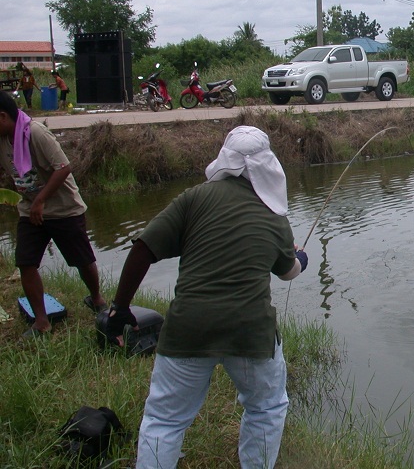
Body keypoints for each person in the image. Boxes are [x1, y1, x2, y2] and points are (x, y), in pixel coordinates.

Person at [107, 125, 308, 469]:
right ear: (267, 163)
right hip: (250, 332)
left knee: (165, 419)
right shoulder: (274, 216)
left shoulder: (193, 198)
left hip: (189, 326)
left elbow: (143, 248)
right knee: (266, 408)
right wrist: (300, 256)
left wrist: (120, 308)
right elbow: (288, 271)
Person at [0, 91, 105, 338]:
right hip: (29, 209)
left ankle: (97, 299)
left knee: (82, 260)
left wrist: (41, 200)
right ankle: (41, 321)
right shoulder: (2, 139)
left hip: (63, 209)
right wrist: (33, 203)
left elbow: (63, 167)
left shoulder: (35, 133)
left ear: (3, 117)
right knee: (25, 262)